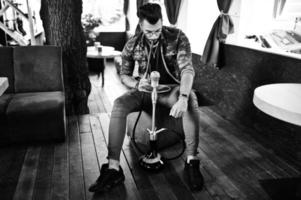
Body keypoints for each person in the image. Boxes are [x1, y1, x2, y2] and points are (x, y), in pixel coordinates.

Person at [89, 3, 204, 193]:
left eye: (157, 30)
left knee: (190, 99)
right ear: (141, 26)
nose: (154, 35)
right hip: (144, 90)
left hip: (171, 90)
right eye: (149, 32)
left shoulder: (177, 37)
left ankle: (192, 161)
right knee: (119, 104)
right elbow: (124, 74)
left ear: (162, 22)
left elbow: (187, 69)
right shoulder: (132, 43)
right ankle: (113, 168)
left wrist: (182, 96)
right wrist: (135, 84)